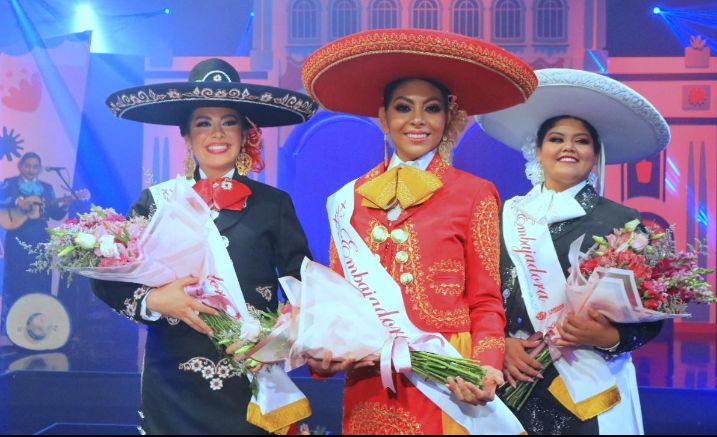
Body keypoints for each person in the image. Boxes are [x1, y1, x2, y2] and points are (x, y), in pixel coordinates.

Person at [300, 29, 538, 434]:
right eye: (403, 107)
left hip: (448, 377)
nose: (416, 120)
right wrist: (322, 355)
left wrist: (485, 366)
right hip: (370, 378)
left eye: (431, 108)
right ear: (383, 117)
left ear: (448, 118)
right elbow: (339, 301)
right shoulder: (348, 200)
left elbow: (485, 299)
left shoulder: (475, 193)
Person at [91, 58, 317, 435]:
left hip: (252, 382)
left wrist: (278, 340)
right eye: (203, 123)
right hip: (175, 387)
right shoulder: (157, 201)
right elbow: (106, 279)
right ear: (186, 135)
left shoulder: (273, 205)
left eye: (229, 121)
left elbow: (306, 288)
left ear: (246, 132)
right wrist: (156, 300)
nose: (218, 133)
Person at [477, 68, 671, 434]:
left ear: (595, 154)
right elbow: (478, 296)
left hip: (590, 382)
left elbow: (651, 317)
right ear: (537, 149)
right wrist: (499, 345)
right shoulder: (503, 215)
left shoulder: (623, 221)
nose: (568, 147)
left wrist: (605, 337)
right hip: (514, 375)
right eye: (556, 138)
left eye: (581, 141)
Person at [1, 152, 71, 329]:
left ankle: (39, 324)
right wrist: (18, 202)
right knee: (17, 278)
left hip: (40, 237)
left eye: (35, 166)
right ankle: (13, 324)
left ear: (39, 169)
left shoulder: (47, 188)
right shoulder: (9, 184)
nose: (31, 169)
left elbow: (54, 214)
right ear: (20, 166)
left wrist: (63, 205)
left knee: (40, 277)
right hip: (17, 238)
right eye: (28, 165)